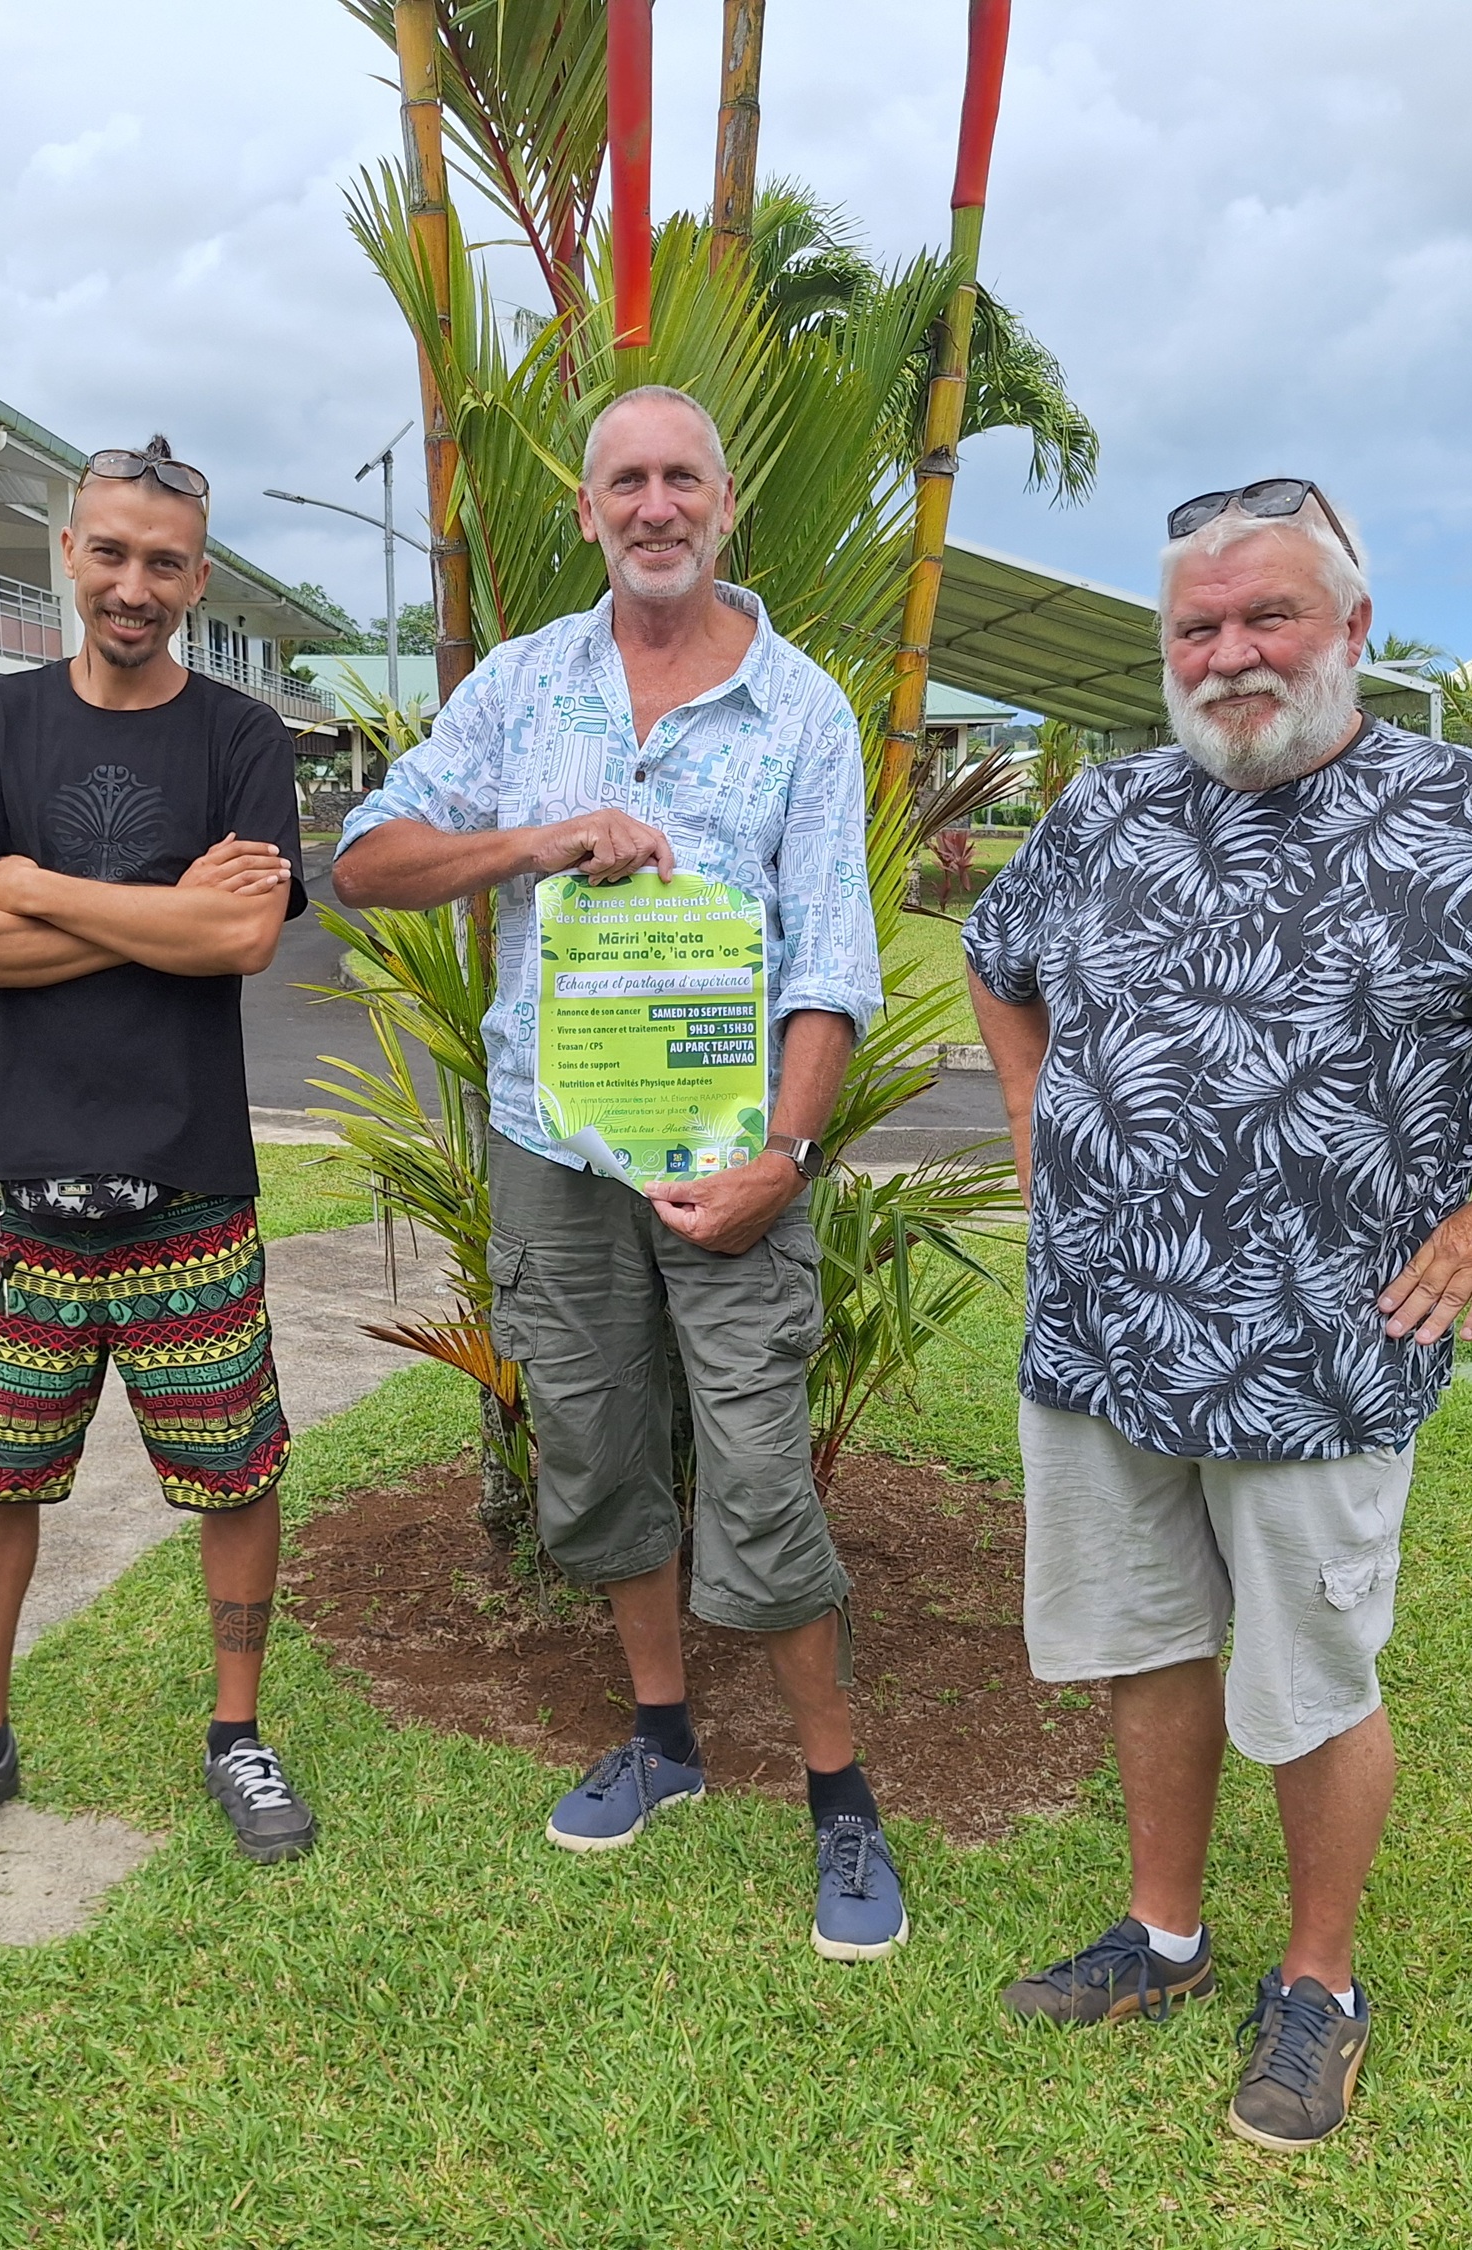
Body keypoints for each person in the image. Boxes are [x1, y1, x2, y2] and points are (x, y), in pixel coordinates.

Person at [962, 478, 1472, 2149]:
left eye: (1270, 616)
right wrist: (1034, 1116)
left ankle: (1319, 1983)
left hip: (1321, 1352)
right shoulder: (1103, 811)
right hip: (1098, 1332)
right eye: (1198, 627)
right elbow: (997, 954)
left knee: (1309, 1673)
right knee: (1145, 1640)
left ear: (1354, 628)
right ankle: (1164, 1932)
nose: (1231, 653)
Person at [333, 385, 902, 1960]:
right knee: (591, 1446)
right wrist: (533, 840)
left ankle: (839, 1790)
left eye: (683, 479)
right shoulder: (522, 689)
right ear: (587, 513)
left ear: (726, 504)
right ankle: (662, 1736)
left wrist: (783, 1158)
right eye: (626, 481)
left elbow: (832, 962)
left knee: (760, 1459)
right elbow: (367, 859)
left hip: (726, 1164)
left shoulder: (802, 710)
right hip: (553, 1147)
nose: (657, 506)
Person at [0, 437, 319, 1879]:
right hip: (15, 1185)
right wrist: (160, 912)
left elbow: (243, 936)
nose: (134, 585)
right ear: (69, 553)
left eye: (163, 563)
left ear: (198, 579)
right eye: (110, 553)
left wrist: (34, 886)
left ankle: (237, 1732)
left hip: (190, 1182)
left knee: (234, 1470)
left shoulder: (242, 739)